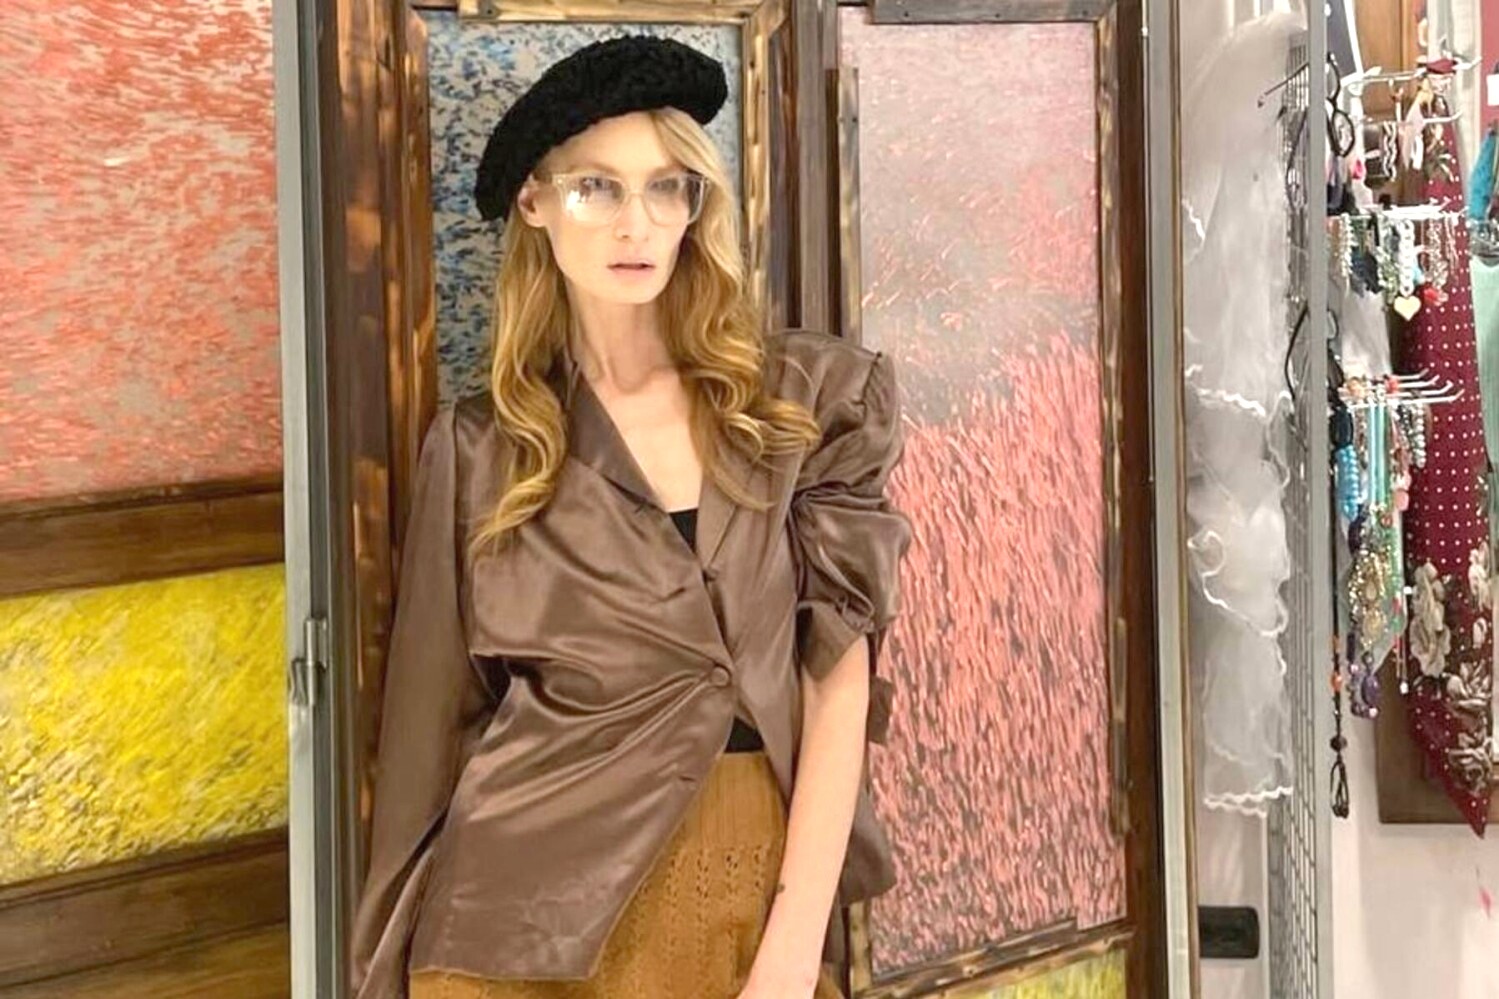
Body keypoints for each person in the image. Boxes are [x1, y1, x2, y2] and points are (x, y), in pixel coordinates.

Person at [347, 34, 912, 999]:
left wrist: (790, 951)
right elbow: (426, 738)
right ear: (534, 203)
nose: (634, 223)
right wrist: (382, 965)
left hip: (747, 896)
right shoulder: (483, 447)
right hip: (513, 924)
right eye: (595, 189)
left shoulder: (801, 405)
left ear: (695, 204)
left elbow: (836, 681)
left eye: (664, 188)